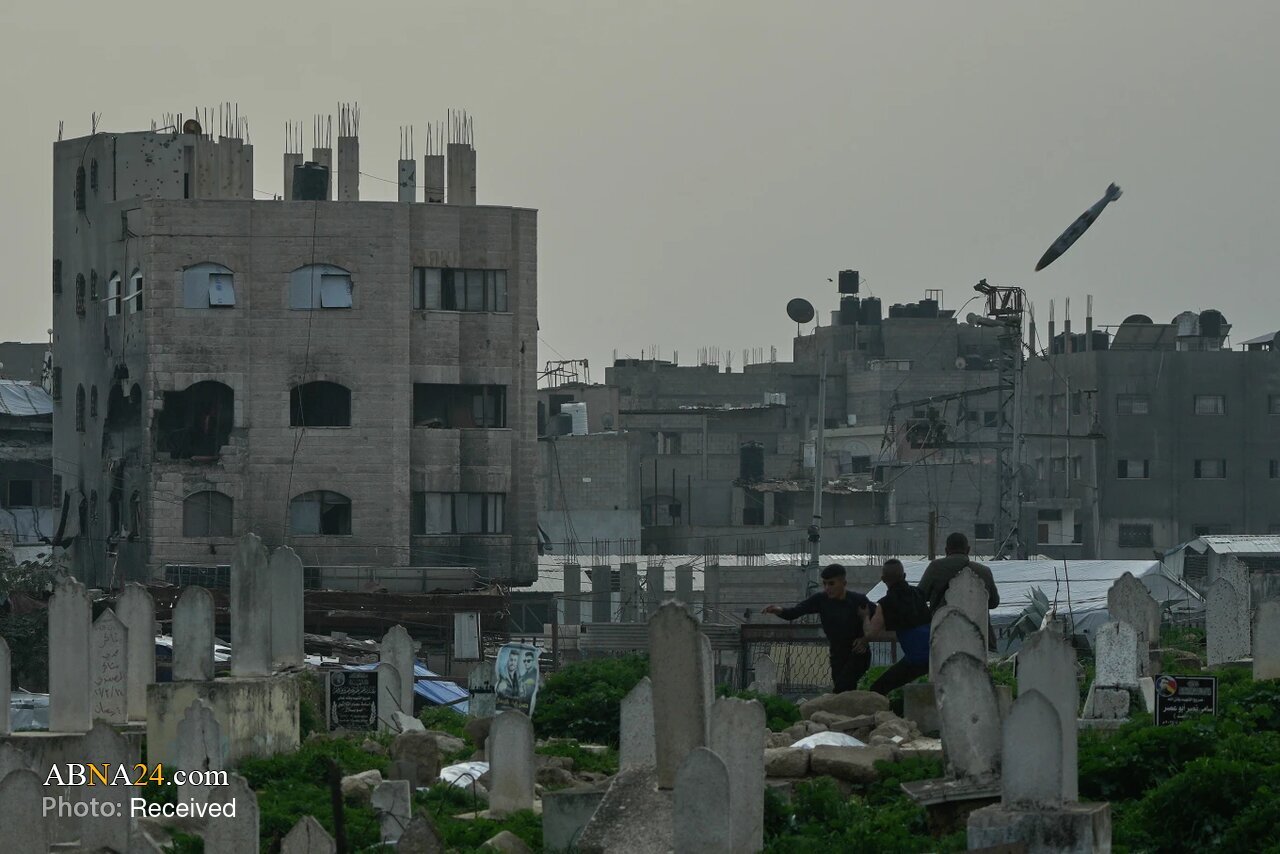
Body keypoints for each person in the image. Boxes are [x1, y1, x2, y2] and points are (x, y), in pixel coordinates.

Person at [763, 564, 875, 693]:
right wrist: (778, 610)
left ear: (843, 583)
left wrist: (865, 639)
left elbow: (879, 620)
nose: (827, 588)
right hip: (837, 654)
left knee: (842, 687)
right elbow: (795, 612)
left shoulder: (858, 600)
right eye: (825, 584)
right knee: (843, 692)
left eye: (831, 583)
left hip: (857, 652)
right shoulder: (821, 600)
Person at [863, 559, 932, 695]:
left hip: (916, 659)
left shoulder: (885, 603)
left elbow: (871, 634)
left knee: (878, 688)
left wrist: (864, 616)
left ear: (883, 579)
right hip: (935, 653)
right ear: (904, 576)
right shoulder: (919, 594)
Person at [918, 532, 1000, 616]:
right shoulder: (984, 571)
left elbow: (919, 597)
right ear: (968, 550)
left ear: (946, 550)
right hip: (978, 623)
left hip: (943, 623)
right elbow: (994, 603)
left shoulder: (935, 567)